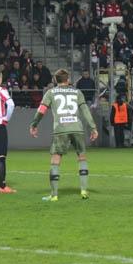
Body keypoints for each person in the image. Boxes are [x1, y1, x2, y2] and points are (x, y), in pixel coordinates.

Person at [29, 69, 98, 201]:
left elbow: (41, 110)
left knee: (55, 160)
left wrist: (34, 124)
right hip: (77, 128)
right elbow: (85, 111)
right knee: (82, 157)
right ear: (68, 79)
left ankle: (54, 195)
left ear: (55, 80)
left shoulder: (51, 92)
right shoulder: (77, 92)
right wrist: (93, 127)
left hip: (61, 129)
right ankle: (84, 190)